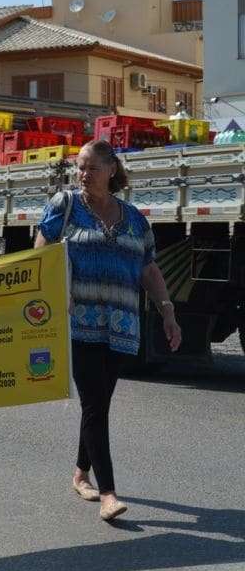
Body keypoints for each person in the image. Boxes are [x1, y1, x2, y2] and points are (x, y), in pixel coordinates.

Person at [35, 140, 182, 522]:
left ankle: (81, 472)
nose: (83, 175)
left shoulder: (134, 218)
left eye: (91, 168)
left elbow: (149, 269)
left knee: (98, 405)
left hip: (121, 326)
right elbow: (41, 251)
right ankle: (108, 493)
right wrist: (48, 295)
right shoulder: (64, 206)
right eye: (80, 168)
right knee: (94, 405)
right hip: (79, 322)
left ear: (111, 169)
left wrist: (167, 312)